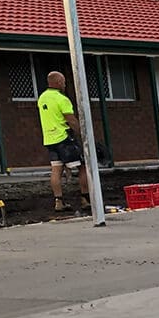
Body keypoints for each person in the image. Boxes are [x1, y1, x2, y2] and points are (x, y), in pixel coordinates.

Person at [38, 71, 90, 213]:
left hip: (49, 139)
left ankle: (58, 202)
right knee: (82, 167)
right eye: (64, 82)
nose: (65, 84)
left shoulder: (42, 98)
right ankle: (85, 199)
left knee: (56, 170)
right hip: (64, 139)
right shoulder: (62, 99)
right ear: (59, 82)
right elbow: (70, 119)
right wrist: (83, 133)